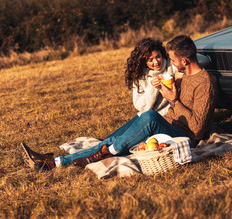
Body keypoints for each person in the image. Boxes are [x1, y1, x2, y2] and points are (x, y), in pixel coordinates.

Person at [21, 35, 218, 171]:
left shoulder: (205, 82)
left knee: (148, 117)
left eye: (173, 61)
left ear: (184, 61)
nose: (170, 63)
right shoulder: (182, 76)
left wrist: (174, 100)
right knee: (118, 135)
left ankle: (107, 152)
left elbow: (197, 130)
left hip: (185, 136)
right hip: (168, 125)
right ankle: (53, 162)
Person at [126, 38, 176, 116]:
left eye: (158, 56)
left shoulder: (171, 65)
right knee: (124, 129)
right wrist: (152, 88)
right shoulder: (140, 76)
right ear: (143, 61)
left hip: (168, 114)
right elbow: (139, 106)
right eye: (150, 60)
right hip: (147, 115)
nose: (156, 62)